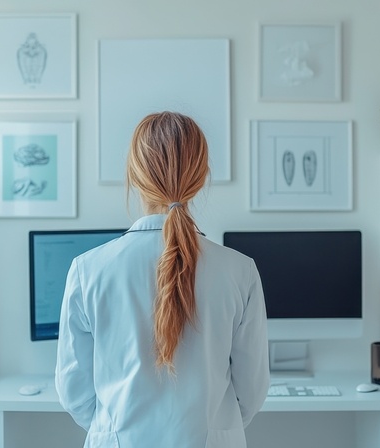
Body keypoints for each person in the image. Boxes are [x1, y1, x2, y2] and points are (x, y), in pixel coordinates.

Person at [55, 111, 269, 448]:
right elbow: (251, 391)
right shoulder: (240, 271)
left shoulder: (88, 270)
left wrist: (116, 429)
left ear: (134, 177)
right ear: (202, 177)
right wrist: (214, 425)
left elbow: (75, 393)